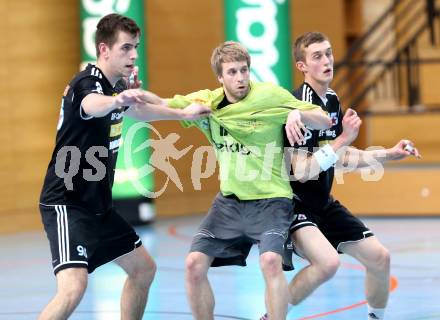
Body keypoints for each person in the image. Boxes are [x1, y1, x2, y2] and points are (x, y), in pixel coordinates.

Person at [38, 13, 211, 320]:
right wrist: (117, 100)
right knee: (73, 288)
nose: (133, 55)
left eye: (136, 48)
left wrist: (184, 114)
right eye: (126, 48)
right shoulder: (87, 84)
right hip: (67, 203)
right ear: (104, 50)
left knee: (143, 269)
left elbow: (142, 111)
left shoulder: (114, 86)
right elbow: (93, 104)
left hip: (99, 207)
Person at [259, 32, 420, 320]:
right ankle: (272, 316)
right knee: (327, 264)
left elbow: (341, 156)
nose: (326, 60)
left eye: (329, 53)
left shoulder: (331, 101)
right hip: (292, 205)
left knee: (380, 258)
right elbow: (304, 170)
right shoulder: (298, 106)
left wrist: (389, 153)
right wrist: (343, 138)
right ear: (302, 66)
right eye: (317, 56)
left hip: (323, 203)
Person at [166, 40, 332, 320]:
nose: (240, 78)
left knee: (270, 261)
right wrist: (128, 95)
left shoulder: (269, 95)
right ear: (220, 77)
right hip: (229, 204)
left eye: (244, 70)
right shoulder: (209, 102)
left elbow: (323, 120)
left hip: (272, 201)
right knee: (193, 264)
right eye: (232, 72)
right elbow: (158, 106)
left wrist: (295, 112)